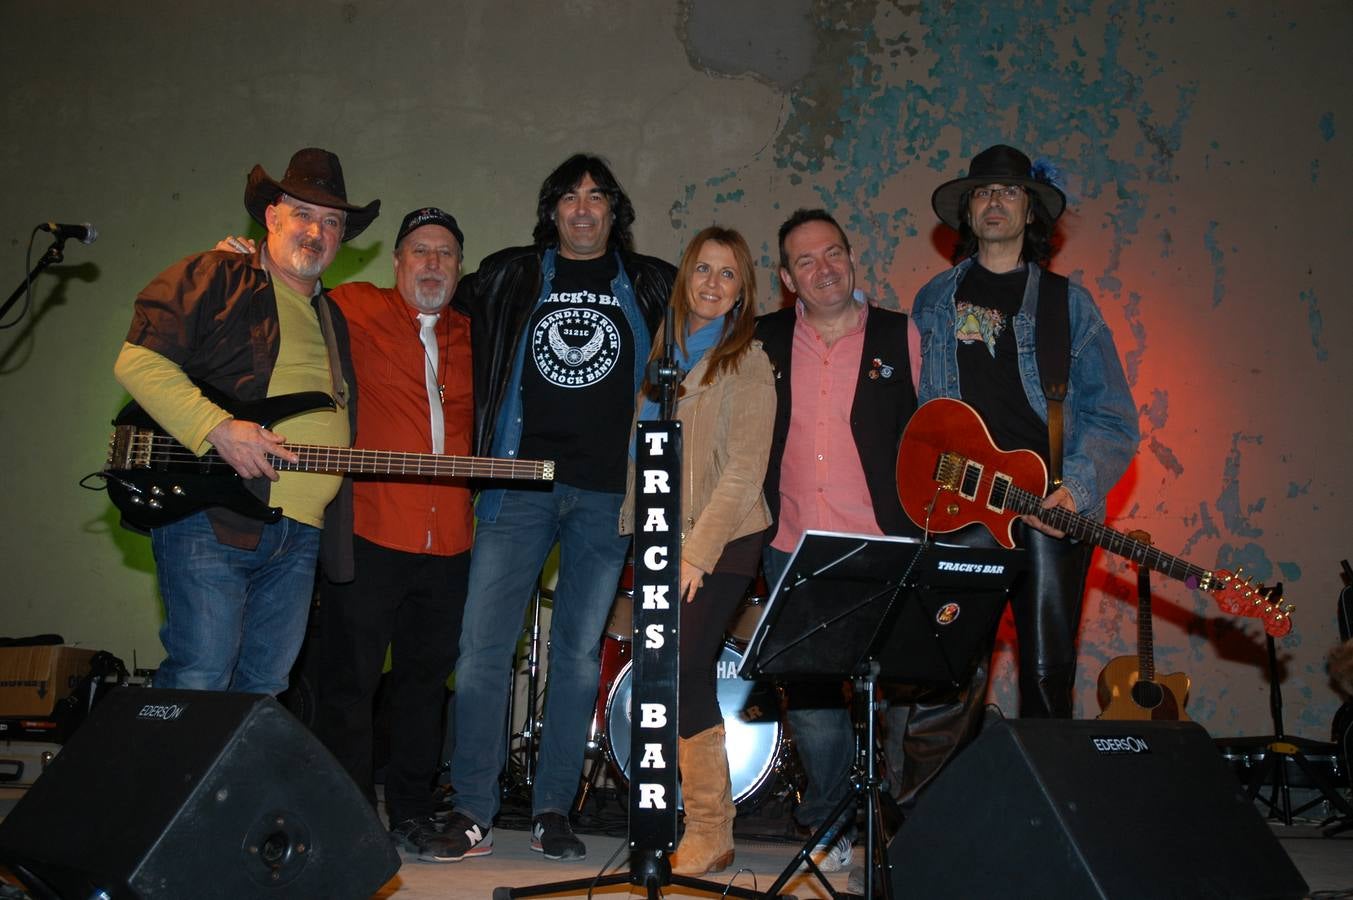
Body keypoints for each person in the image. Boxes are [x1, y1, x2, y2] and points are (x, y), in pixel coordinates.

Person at [214, 206, 476, 862]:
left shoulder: (476, 335)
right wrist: (246, 265)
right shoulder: (353, 307)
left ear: (460, 267)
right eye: (420, 251)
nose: (433, 264)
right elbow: (291, 287)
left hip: (451, 544)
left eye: (445, 253)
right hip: (369, 531)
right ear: (397, 261)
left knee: (424, 686)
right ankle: (350, 817)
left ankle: (413, 812)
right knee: (349, 685)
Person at [439, 154, 676, 862]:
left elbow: (711, 329)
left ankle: (551, 810)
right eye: (569, 196)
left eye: (596, 196)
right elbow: (432, 296)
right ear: (552, 211)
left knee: (576, 657)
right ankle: (472, 809)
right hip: (517, 483)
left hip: (608, 493)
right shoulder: (509, 275)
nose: (582, 208)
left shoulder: (650, 282)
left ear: (613, 211)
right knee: (482, 652)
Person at [901, 143, 1139, 800]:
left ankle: (1047, 813)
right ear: (967, 211)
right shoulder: (934, 300)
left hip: (1045, 509)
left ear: (1030, 211)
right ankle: (926, 820)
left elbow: (1114, 418)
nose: (995, 201)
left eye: (1009, 191)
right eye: (983, 191)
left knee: (1044, 673)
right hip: (959, 507)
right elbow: (916, 414)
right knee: (945, 671)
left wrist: (1077, 491)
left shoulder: (1069, 305)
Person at [112, 147, 376, 696]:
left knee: (265, 688)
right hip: (213, 516)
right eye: (303, 213)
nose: (316, 231)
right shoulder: (218, 273)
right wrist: (219, 429)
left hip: (300, 533)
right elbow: (137, 362)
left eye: (331, 222)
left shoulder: (332, 316)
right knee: (201, 675)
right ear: (272, 217)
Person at [755, 208, 923, 873]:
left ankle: (897, 825)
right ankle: (830, 821)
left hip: (887, 542)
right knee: (813, 696)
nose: (822, 269)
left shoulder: (903, 335)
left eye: (832, 254)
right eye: (805, 260)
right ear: (785, 278)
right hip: (794, 543)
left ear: (852, 257)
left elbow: (940, 429)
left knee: (900, 694)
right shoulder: (763, 339)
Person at [620, 226, 775, 876]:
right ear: (686, 277)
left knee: (683, 669)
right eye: (703, 269)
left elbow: (743, 472)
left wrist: (696, 555)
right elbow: (645, 459)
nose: (713, 283)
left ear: (742, 291)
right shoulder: (665, 358)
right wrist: (639, 536)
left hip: (723, 540)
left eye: (727, 273)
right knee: (668, 671)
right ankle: (693, 824)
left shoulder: (748, 361)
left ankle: (711, 829)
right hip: (662, 539)